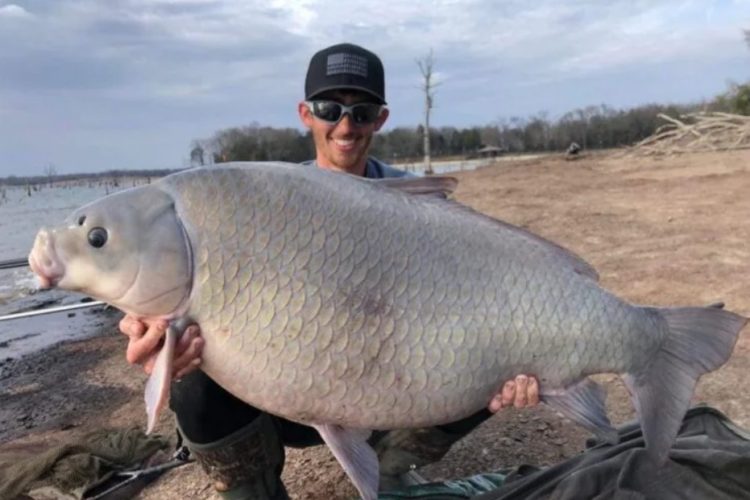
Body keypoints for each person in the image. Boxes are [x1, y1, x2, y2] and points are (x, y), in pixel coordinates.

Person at [119, 43, 540, 500]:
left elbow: (482, 292)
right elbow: (195, 288)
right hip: (287, 393)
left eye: (361, 112)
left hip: (394, 391)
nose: (344, 125)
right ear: (305, 113)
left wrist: (520, 360)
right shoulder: (265, 203)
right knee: (194, 377)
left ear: (380, 119)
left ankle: (392, 466)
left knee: (498, 346)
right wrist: (155, 327)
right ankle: (251, 489)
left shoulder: (424, 211)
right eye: (329, 109)